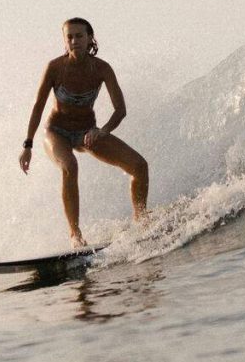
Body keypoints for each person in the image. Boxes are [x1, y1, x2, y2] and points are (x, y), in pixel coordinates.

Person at [19, 17, 149, 247]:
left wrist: (103, 131)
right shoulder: (55, 68)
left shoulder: (101, 69)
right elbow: (38, 108)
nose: (74, 40)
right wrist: (27, 146)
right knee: (70, 166)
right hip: (56, 132)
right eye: (69, 36)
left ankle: (142, 221)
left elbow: (120, 110)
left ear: (90, 39)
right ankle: (75, 235)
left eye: (79, 36)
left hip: (87, 132)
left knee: (139, 166)